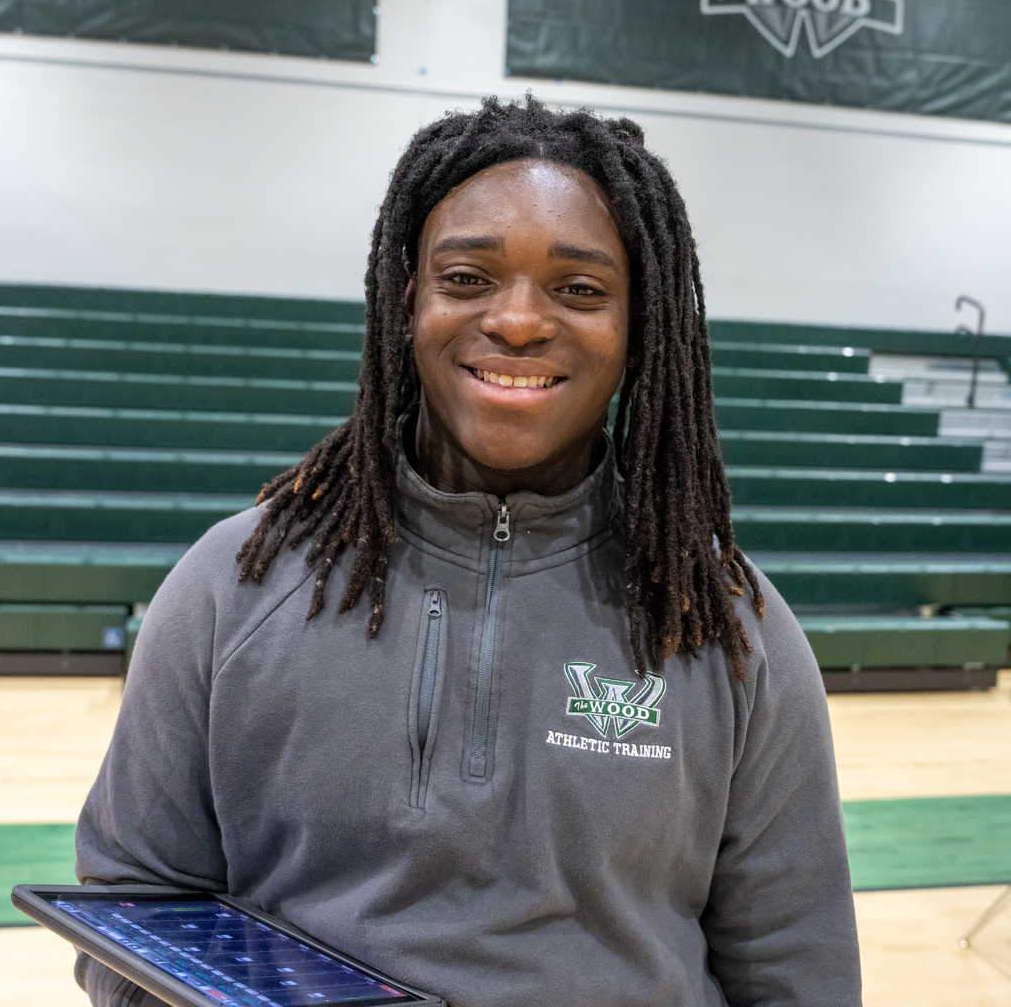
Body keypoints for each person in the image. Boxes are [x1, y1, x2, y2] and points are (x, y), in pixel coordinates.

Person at [75, 97, 861, 1007]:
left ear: (641, 327)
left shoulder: (729, 628)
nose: (520, 321)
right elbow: (136, 905)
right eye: (468, 277)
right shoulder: (232, 586)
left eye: (580, 289)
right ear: (406, 297)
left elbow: (795, 965)